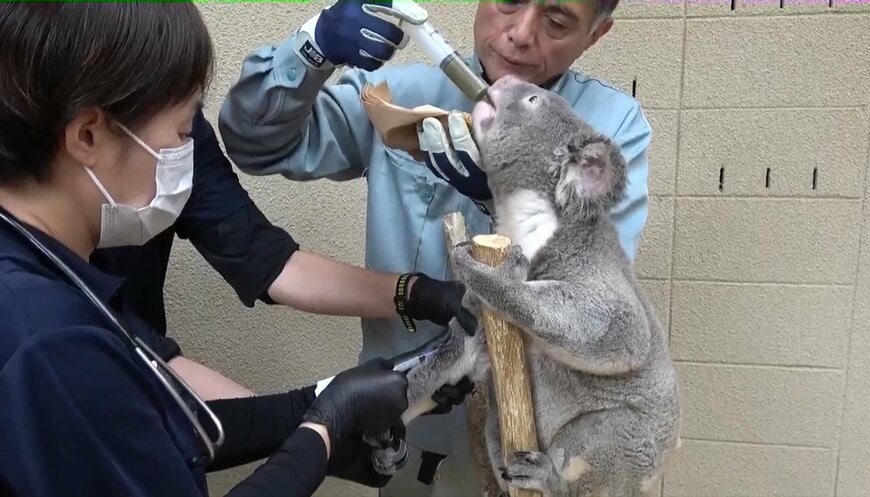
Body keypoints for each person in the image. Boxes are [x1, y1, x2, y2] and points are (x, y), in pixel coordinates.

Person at [218, 0, 653, 495]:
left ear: (595, 35)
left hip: (526, 447)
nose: (520, 33)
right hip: (403, 425)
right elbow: (255, 144)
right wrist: (313, 46)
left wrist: (507, 196)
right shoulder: (404, 94)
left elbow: (595, 300)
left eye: (556, 21)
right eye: (508, 2)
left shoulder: (609, 132)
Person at [0, 3, 430, 496]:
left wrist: (314, 412)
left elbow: (152, 422)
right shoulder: (50, 343)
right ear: (87, 135)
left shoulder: (47, 270)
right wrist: (318, 436)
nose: (188, 153)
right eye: (182, 132)